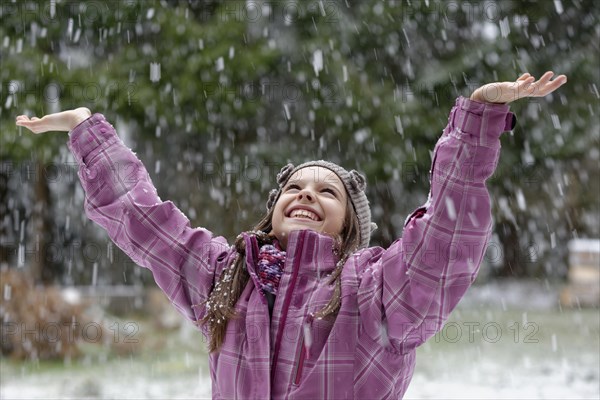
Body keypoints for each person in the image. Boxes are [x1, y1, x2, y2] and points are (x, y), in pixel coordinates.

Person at [15, 72, 566, 399]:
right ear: (274, 208)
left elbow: (442, 244)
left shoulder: (373, 291)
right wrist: (87, 130)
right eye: (295, 187)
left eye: (328, 193)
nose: (306, 195)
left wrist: (474, 124)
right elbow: (145, 220)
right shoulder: (224, 278)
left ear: (350, 224)